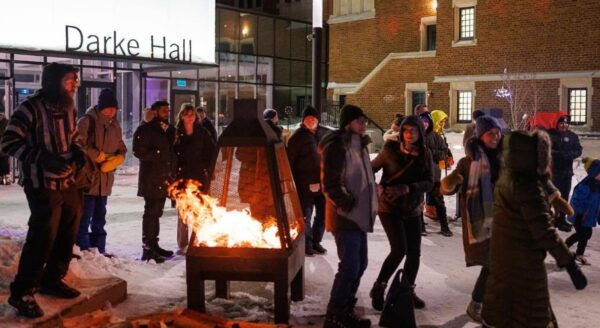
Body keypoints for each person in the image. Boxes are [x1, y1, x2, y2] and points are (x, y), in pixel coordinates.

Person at [0, 63, 85, 318]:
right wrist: (42, 158)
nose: (75, 84)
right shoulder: (29, 108)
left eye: (75, 80)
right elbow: (9, 142)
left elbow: (74, 137)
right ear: (55, 81)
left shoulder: (69, 106)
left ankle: (52, 278)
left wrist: (78, 151)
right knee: (43, 233)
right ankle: (22, 291)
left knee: (69, 228)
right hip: (41, 183)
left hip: (67, 181)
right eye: (71, 79)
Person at [481, 130, 587, 328]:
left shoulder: (509, 177)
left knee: (502, 313)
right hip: (524, 267)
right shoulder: (527, 186)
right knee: (531, 317)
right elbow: (544, 231)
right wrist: (570, 263)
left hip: (504, 262)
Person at [441, 115, 503, 322]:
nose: (495, 137)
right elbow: (447, 188)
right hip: (482, 220)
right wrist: (451, 182)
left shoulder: (506, 159)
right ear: (480, 136)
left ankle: (488, 302)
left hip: (506, 220)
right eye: (490, 134)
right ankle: (477, 303)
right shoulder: (468, 163)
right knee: (492, 264)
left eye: (497, 133)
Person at [320, 104, 377, 328]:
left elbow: (362, 176)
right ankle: (334, 315)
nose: (364, 125)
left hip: (359, 216)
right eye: (359, 121)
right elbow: (331, 183)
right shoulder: (337, 146)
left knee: (360, 264)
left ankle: (345, 310)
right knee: (350, 266)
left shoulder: (359, 145)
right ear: (348, 123)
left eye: (364, 121)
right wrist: (347, 202)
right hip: (345, 217)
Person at [370, 115, 433, 312]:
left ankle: (406, 290)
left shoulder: (425, 154)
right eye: (406, 130)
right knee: (399, 249)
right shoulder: (390, 150)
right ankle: (379, 287)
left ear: (420, 133)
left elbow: (430, 182)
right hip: (389, 207)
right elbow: (370, 169)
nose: (409, 134)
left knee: (414, 253)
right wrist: (376, 187)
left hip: (412, 208)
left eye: (414, 130)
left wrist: (408, 188)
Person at [76, 89, 127, 257]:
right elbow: (77, 143)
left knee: (100, 217)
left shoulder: (115, 125)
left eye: (114, 108)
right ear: (101, 106)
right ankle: (82, 248)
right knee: (84, 216)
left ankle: (99, 249)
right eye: (109, 107)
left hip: (105, 180)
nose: (112, 111)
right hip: (87, 178)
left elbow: (121, 146)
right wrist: (95, 155)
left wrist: (119, 157)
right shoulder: (87, 121)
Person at [133, 100, 177, 263]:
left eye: (168, 110)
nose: (167, 112)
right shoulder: (146, 128)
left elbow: (171, 150)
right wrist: (158, 155)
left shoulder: (168, 129)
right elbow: (138, 151)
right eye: (164, 110)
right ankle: (148, 248)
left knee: (157, 212)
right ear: (155, 111)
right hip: (151, 177)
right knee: (151, 213)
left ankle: (154, 244)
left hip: (163, 177)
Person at [287, 105, 331, 256]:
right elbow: (289, 161)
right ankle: (307, 244)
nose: (311, 120)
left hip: (323, 182)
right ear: (303, 120)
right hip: (304, 184)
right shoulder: (297, 137)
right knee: (306, 215)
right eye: (308, 118)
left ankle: (316, 241)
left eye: (314, 118)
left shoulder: (323, 134)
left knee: (323, 214)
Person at [174, 103, 216, 254]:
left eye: (192, 114)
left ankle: (196, 240)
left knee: (199, 210)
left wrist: (208, 168)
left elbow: (211, 151)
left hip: (198, 176)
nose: (190, 116)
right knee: (183, 211)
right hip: (181, 177)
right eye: (187, 114)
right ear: (182, 116)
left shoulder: (202, 132)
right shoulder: (176, 132)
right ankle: (182, 244)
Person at [419, 111, 453, 236]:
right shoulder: (415, 136)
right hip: (420, 174)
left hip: (434, 174)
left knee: (438, 200)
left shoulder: (435, 136)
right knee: (419, 201)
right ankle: (420, 226)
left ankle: (444, 226)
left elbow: (444, 151)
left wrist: (430, 153)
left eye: (426, 122)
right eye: (422, 122)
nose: (424, 124)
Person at [549, 114, 582, 232]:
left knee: (564, 196)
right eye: (562, 123)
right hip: (554, 172)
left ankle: (561, 219)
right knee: (552, 196)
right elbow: (546, 148)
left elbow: (578, 149)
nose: (564, 125)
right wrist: (557, 154)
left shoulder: (572, 136)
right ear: (557, 124)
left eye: (566, 123)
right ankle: (549, 218)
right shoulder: (551, 135)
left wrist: (570, 155)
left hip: (567, 172)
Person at [565, 157, 600, 265]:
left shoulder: (598, 186)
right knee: (582, 234)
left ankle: (579, 253)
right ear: (594, 172)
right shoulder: (586, 185)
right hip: (580, 215)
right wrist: (579, 213)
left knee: (586, 234)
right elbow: (577, 200)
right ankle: (563, 247)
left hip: (589, 217)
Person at [0, 112, 10, 184]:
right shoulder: (7, 122)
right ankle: (6, 177)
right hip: (4, 144)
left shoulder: (6, 122)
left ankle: (3, 177)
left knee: (4, 160)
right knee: (4, 160)